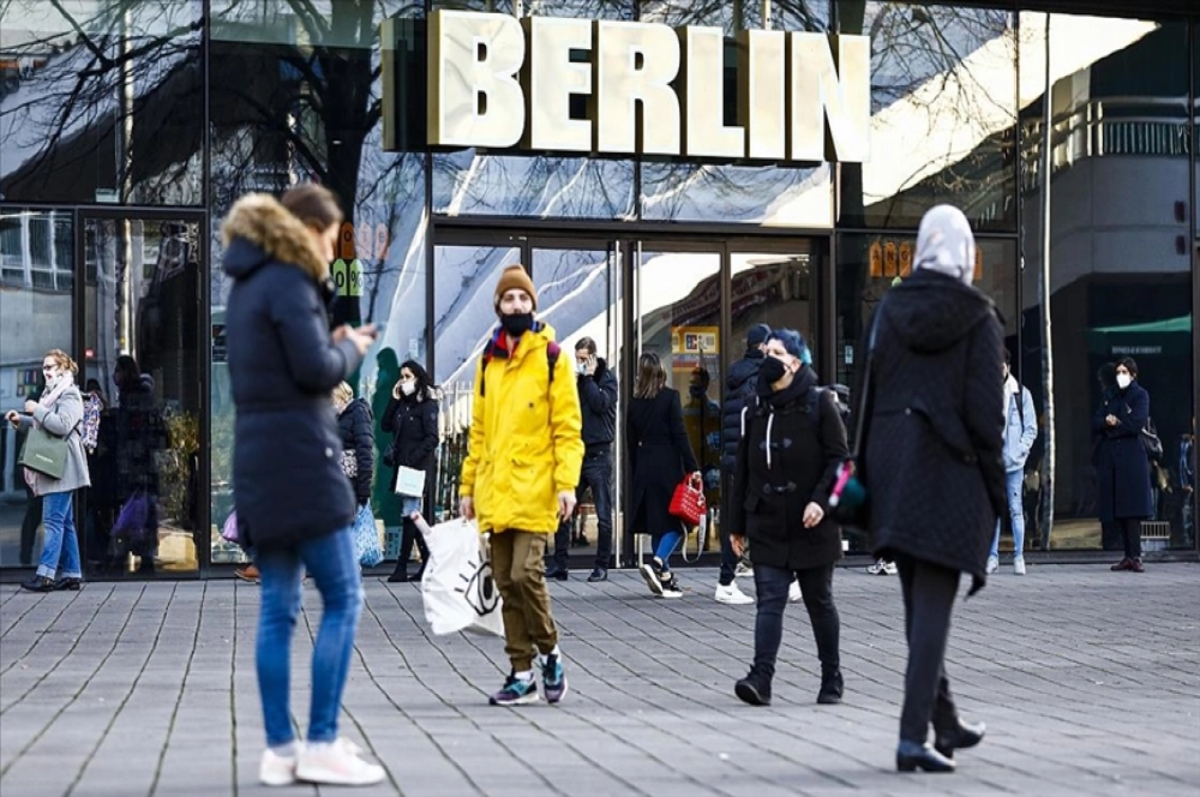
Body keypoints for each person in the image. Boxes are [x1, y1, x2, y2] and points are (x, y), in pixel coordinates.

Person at [222, 184, 384, 786]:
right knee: (344, 597)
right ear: (309, 228)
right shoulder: (291, 280)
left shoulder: (245, 285)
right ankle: (320, 741)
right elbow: (314, 369)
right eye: (331, 234)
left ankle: (278, 749)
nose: (333, 246)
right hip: (305, 462)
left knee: (277, 609)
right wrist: (347, 347)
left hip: (259, 465)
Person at [860, 205, 1003, 773]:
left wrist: (864, 469)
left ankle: (942, 720)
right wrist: (997, 495)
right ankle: (910, 736)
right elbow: (986, 418)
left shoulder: (890, 309)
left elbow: (868, 394)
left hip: (893, 470)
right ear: (964, 253)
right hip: (950, 476)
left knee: (919, 607)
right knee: (932, 612)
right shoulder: (979, 316)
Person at [458, 265, 583, 706]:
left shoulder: (552, 357)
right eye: (509, 299)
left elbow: (568, 429)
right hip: (496, 490)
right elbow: (478, 431)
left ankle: (550, 653)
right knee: (505, 584)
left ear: (534, 305)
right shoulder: (487, 362)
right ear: (498, 306)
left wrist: (567, 484)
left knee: (525, 573)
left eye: (523, 300)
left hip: (536, 488)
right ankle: (521, 672)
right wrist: (467, 488)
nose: (516, 306)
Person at [729, 329, 849, 707]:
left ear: (795, 363)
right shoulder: (755, 407)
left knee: (819, 602)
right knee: (770, 600)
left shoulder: (819, 404)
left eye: (777, 352)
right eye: (767, 351)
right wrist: (735, 524)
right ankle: (760, 678)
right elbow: (742, 470)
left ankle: (832, 675)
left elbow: (842, 463)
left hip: (813, 525)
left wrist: (821, 502)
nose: (769, 358)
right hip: (767, 522)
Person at [7, 350, 91, 592]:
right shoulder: (51, 394)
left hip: (63, 468)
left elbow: (62, 425)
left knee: (53, 521)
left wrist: (36, 410)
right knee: (64, 523)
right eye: (44, 367)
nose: (46, 371)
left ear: (64, 369)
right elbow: (44, 428)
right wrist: (21, 420)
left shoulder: (70, 394)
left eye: (51, 367)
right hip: (56, 466)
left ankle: (45, 575)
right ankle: (73, 573)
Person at [627, 351, 701, 599]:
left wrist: (637, 472)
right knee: (679, 524)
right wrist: (693, 467)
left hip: (645, 465)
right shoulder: (670, 397)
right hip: (668, 465)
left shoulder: (634, 402)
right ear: (660, 371)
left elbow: (630, 442)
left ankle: (666, 579)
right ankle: (658, 563)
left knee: (659, 522)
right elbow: (680, 434)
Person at [547, 337, 618, 583]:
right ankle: (560, 563)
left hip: (599, 455)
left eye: (583, 359)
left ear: (593, 357)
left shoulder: (607, 380)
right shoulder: (578, 383)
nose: (579, 363)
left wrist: (588, 377)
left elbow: (600, 404)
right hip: (578, 454)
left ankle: (601, 565)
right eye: (576, 358)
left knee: (603, 514)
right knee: (563, 510)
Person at [716, 323, 770, 604]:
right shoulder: (757, 377)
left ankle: (729, 578)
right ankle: (726, 580)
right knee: (752, 518)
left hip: (737, 456)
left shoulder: (738, 375)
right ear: (762, 347)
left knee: (748, 516)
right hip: (752, 457)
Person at [1093, 357, 1154, 574]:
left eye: (1124, 371)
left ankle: (1135, 555)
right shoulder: (1110, 395)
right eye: (1118, 371)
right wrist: (1107, 423)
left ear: (1133, 374)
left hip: (1132, 457)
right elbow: (1097, 419)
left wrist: (1114, 426)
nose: (1120, 375)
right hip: (1112, 458)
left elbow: (1136, 423)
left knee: (1133, 508)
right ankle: (1126, 555)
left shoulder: (1140, 395)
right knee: (1118, 505)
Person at [382, 360, 439, 583]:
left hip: (416, 467)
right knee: (411, 514)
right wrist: (394, 399)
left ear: (417, 378)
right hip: (402, 466)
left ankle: (402, 566)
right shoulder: (403, 404)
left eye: (407, 376)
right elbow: (385, 425)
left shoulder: (427, 404)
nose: (403, 381)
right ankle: (429, 563)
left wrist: (413, 458)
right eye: (401, 376)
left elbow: (432, 437)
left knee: (410, 513)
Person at [987, 349, 1038, 576]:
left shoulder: (1021, 394)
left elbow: (1031, 428)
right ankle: (992, 556)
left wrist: (1020, 451)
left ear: (1008, 366)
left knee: (1016, 510)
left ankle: (1019, 555)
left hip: (1014, 463)